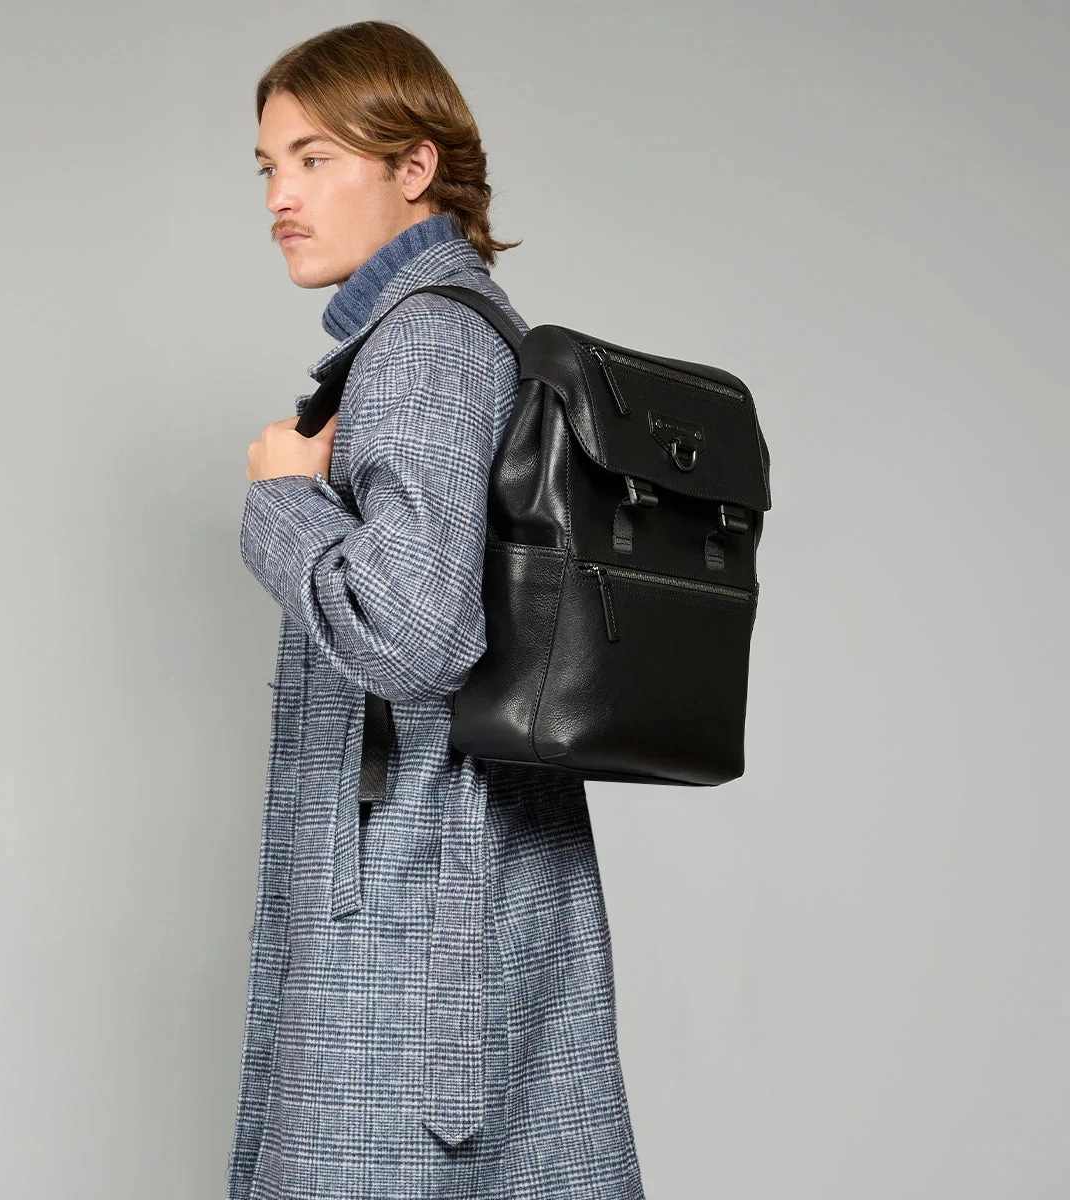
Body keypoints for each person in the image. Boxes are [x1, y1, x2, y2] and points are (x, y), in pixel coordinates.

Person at [228, 20, 646, 1200]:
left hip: (419, 901)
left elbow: (419, 633)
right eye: (269, 166)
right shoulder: (460, 330)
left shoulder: (421, 345)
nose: (280, 196)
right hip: (454, 871)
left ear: (415, 166)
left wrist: (280, 503)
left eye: (315, 158)